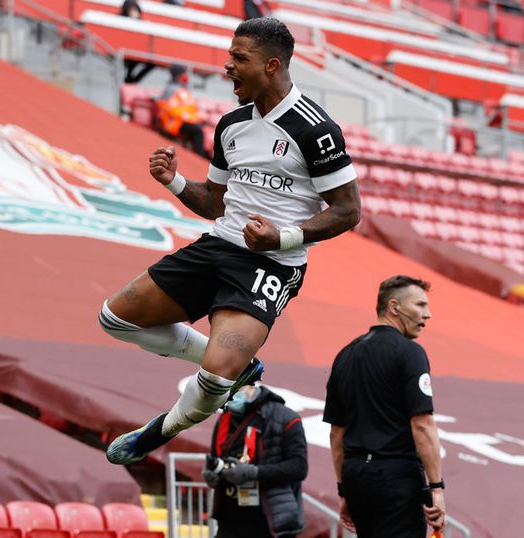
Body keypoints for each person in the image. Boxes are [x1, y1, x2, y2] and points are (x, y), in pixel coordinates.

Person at [101, 17, 360, 466]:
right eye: (229, 56)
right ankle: (241, 368)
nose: (227, 67)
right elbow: (215, 202)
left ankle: (163, 429)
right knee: (115, 319)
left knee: (214, 375)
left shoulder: (316, 130)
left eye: (240, 58)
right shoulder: (231, 124)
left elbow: (348, 210)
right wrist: (175, 181)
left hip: (272, 266)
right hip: (218, 246)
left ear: (272, 65)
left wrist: (284, 237)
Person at [323, 275, 446, 538]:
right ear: (394, 307)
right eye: (421, 305)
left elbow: (337, 434)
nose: (429, 314)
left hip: (357, 478)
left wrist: (344, 491)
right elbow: (422, 424)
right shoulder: (410, 352)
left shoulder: (345, 355)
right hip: (396, 477)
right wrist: (436, 488)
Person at [202, 384, 308, 538]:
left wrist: (253, 473)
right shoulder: (224, 419)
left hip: (270, 521)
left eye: (235, 388)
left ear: (251, 384)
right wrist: (212, 474)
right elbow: (216, 457)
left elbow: (299, 467)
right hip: (230, 520)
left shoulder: (286, 418)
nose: (229, 395)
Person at [157, 64, 210, 159]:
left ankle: (202, 153)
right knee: (198, 130)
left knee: (200, 127)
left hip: (182, 120)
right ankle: (200, 157)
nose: (186, 76)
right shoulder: (172, 89)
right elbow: (172, 110)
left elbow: (190, 107)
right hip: (174, 123)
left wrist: (198, 117)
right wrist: (192, 118)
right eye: (184, 73)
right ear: (179, 75)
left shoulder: (180, 88)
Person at [120, 0, 156, 83]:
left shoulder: (141, 22)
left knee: (150, 63)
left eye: (135, 9)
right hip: (124, 49)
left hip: (137, 50)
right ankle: (130, 80)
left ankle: (132, 80)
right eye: (131, 9)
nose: (133, 11)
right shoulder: (120, 18)